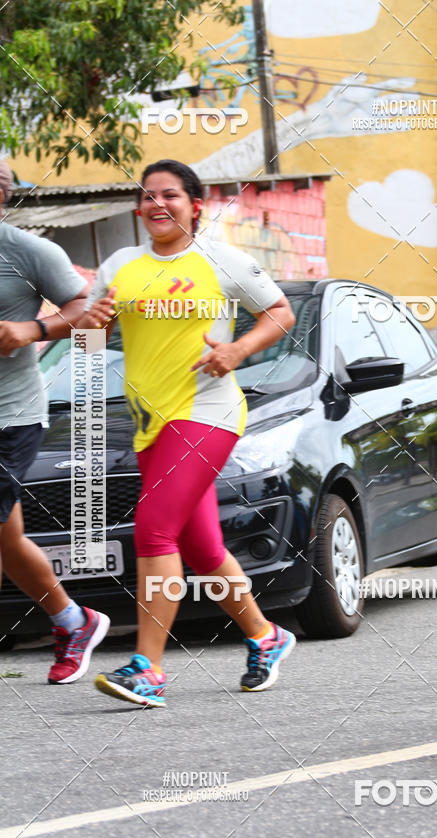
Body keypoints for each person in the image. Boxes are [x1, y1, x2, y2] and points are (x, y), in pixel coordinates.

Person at [80, 159, 296, 708]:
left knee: (153, 529)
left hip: (209, 411)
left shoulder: (220, 259)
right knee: (201, 547)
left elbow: (279, 311)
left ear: (194, 206)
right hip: (151, 424)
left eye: (170, 195)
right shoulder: (122, 265)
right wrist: (93, 321)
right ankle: (265, 637)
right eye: (148, 196)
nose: (157, 205)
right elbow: (92, 336)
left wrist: (237, 350)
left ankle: (148, 667)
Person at [0, 160, 110, 682]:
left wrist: (32, 329)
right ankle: (73, 620)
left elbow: (84, 309)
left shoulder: (29, 252)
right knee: (7, 540)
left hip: (12, 415)